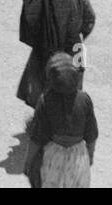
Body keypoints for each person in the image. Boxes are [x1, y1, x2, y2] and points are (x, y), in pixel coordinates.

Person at [16, 0, 96, 108]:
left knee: (43, 93)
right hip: (75, 48)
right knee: (72, 93)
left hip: (48, 49)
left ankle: (42, 127)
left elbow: (31, 22)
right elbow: (90, 20)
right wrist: (78, 39)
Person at [23, 53, 98, 189]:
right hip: (78, 158)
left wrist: (29, 161)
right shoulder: (84, 99)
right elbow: (91, 134)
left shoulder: (45, 100)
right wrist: (90, 155)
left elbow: (37, 137)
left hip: (53, 158)